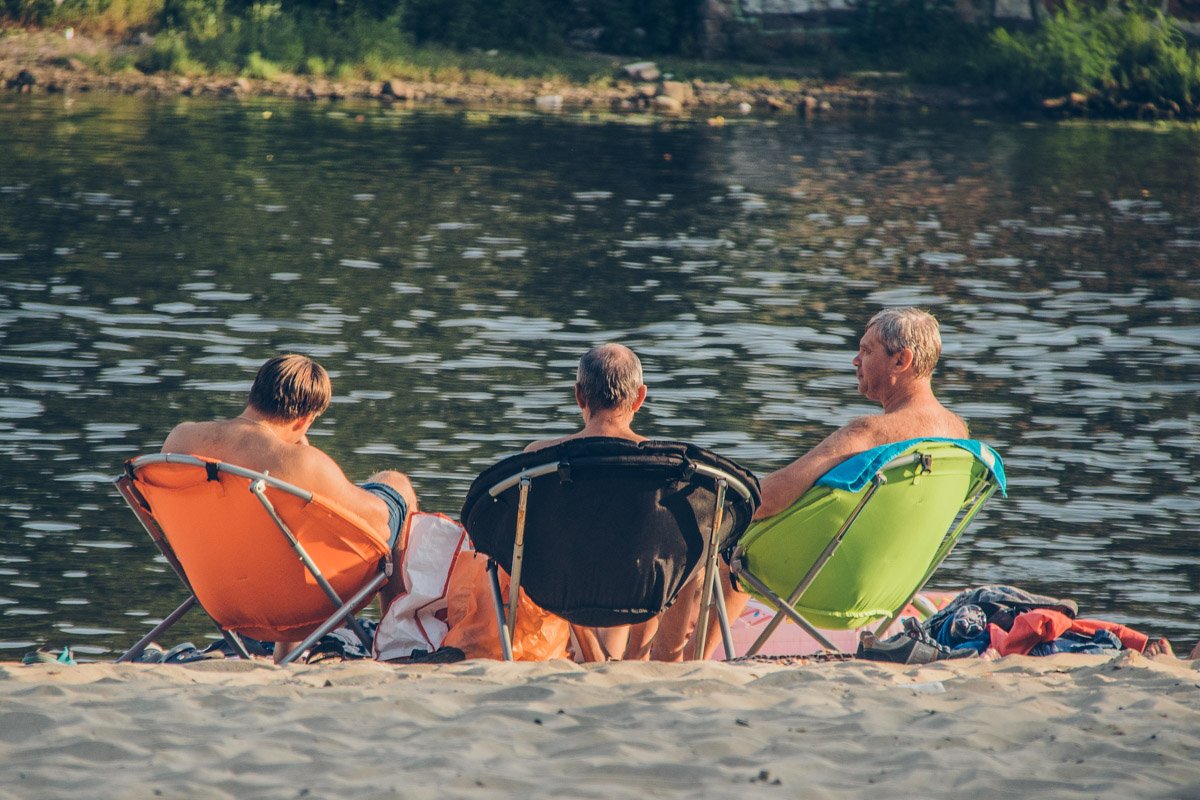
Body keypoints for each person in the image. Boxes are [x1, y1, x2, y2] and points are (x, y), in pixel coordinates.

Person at [653, 307, 969, 661]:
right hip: (891, 587)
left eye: (866, 351)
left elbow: (768, 499)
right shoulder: (958, 436)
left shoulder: (869, 433)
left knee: (713, 537)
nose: (855, 360)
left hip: (827, 585)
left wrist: (708, 504)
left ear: (902, 360)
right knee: (737, 546)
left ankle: (668, 660)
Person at [161, 353, 419, 662]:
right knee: (394, 484)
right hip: (296, 609)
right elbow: (378, 524)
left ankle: (290, 651)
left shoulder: (181, 441)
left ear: (253, 393)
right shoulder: (302, 464)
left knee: (275, 521)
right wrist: (307, 455)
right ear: (306, 419)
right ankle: (397, 636)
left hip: (218, 599)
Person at [524, 343, 653, 660]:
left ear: (579, 396)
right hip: (643, 591)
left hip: (563, 590)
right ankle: (642, 657)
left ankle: (589, 647)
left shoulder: (537, 459)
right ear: (640, 398)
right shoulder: (670, 464)